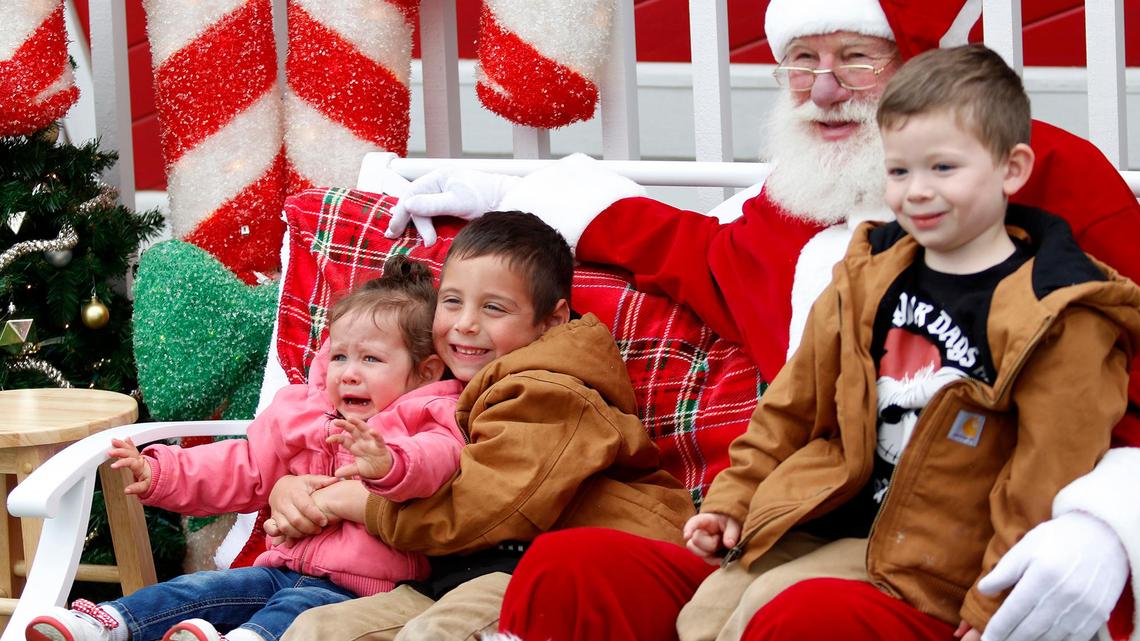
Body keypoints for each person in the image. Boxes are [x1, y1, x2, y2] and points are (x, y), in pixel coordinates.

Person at [382, 2, 1140, 640]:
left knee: (804, 615)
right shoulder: (802, 216)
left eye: (856, 58)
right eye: (801, 61)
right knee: (569, 567)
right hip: (802, 522)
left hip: (965, 551)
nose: (824, 88)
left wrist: (1106, 523)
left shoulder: (1056, 187)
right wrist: (517, 198)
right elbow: (691, 253)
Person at [681, 43, 1140, 641]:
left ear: (1012, 169)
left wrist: (990, 605)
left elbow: (1041, 477)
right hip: (838, 514)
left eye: (943, 168)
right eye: (898, 171)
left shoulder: (1061, 312)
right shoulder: (869, 273)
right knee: (704, 613)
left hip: (941, 550)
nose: (917, 191)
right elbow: (789, 408)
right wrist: (735, 498)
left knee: (773, 607)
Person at [270, 211, 695, 640]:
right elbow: (352, 446)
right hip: (461, 574)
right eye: (452, 301)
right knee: (317, 629)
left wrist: (343, 502)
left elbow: (479, 511)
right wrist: (295, 489)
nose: (466, 323)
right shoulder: (436, 378)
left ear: (551, 319)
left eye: (494, 307)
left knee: (437, 634)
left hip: (568, 573)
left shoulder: (550, 391)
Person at [25, 255, 466, 641]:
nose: (349, 373)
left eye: (371, 359)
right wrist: (164, 471)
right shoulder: (302, 412)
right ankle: (110, 624)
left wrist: (388, 463)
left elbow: (438, 462)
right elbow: (243, 465)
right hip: (282, 567)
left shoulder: (427, 418)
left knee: (290, 615)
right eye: (339, 357)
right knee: (202, 589)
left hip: (362, 590)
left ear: (425, 372)